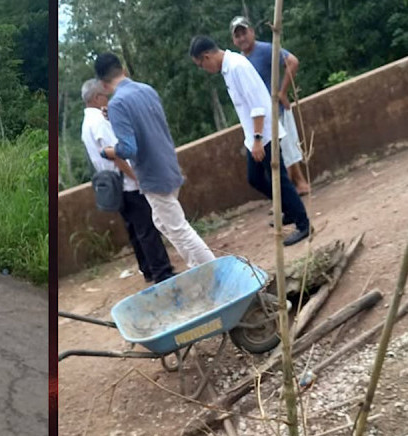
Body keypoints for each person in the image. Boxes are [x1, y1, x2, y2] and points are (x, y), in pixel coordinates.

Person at [93, 53, 216, 270]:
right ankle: (202, 269)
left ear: (103, 84)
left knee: (179, 229)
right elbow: (146, 124)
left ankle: (214, 271)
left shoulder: (118, 103)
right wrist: (115, 117)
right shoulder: (146, 90)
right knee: (162, 222)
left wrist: (108, 152)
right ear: (123, 70)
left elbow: (129, 148)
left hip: (152, 173)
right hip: (169, 164)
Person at [189, 35, 311, 247]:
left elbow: (257, 105)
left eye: (201, 65)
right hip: (254, 135)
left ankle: (303, 223)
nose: (204, 69)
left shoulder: (236, 67)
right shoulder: (229, 68)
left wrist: (257, 139)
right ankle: (290, 209)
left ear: (206, 57)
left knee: (280, 179)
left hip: (263, 134)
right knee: (254, 178)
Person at [80, 78, 175, 283]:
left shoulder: (87, 123)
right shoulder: (98, 123)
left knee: (134, 229)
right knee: (146, 228)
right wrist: (136, 177)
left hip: (113, 183)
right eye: (105, 96)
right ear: (97, 98)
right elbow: (117, 154)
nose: (108, 100)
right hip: (126, 181)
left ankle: (148, 269)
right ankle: (161, 271)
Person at [230, 15, 311, 196]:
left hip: (274, 110)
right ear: (234, 40)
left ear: (252, 32)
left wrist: (282, 92)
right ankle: (293, 190)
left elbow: (292, 61)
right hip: (261, 117)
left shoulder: (265, 50)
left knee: (284, 152)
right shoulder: (240, 62)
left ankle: (294, 189)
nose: (242, 38)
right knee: (281, 154)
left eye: (244, 33)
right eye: (238, 36)